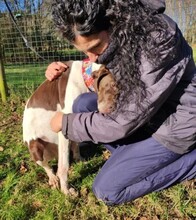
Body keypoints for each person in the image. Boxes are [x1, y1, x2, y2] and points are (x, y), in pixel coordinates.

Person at [45, 0, 196, 205]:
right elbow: (111, 78)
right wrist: (65, 68)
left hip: (176, 126)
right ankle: (136, 158)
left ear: (113, 21)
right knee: (83, 104)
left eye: (94, 48)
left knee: (107, 190)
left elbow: (123, 120)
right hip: (149, 115)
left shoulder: (158, 41)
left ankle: (189, 162)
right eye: (84, 52)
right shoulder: (124, 33)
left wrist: (66, 124)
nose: (93, 59)